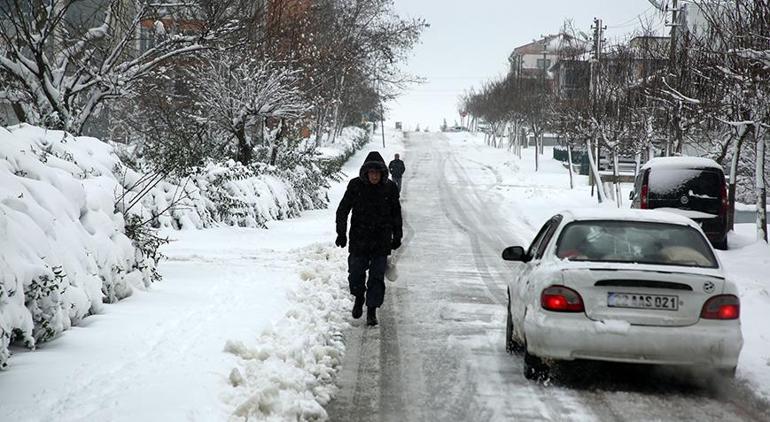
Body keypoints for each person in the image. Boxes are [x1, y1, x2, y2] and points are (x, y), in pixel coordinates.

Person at [336, 151, 403, 326]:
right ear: (365, 173)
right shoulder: (355, 186)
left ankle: (372, 310)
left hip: (381, 240)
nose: (374, 176)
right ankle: (359, 297)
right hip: (359, 239)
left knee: (376, 277)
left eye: (377, 172)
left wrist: (397, 235)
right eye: (371, 172)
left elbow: (396, 213)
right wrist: (341, 233)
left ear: (382, 173)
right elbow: (343, 209)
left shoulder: (390, 188)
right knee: (356, 273)